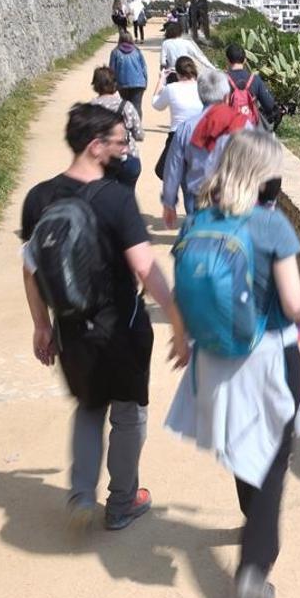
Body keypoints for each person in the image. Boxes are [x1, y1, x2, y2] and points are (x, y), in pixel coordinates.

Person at [20, 103, 190, 534]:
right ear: (95, 146)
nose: (125, 148)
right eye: (118, 141)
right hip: (121, 328)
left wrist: (42, 325)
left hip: (71, 329)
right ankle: (121, 502)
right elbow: (145, 268)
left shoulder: (39, 198)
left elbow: (30, 269)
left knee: (89, 407)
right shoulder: (116, 199)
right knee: (128, 415)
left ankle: (81, 494)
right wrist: (176, 321)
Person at [165, 130, 300, 598]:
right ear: (266, 177)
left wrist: (181, 338)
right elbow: (294, 302)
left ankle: (252, 517)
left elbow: (179, 290)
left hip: (215, 358)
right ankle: (253, 567)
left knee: (242, 442)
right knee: (273, 458)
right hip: (269, 357)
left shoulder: (199, 219)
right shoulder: (272, 225)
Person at [161, 69, 250, 228]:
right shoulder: (244, 125)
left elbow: (173, 169)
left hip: (198, 198)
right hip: (234, 198)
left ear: (200, 96)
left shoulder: (186, 128)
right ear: (226, 97)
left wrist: (169, 202)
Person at [90, 66, 145, 188]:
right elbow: (139, 134)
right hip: (127, 157)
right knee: (127, 195)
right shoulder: (126, 106)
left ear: (95, 85)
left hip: (102, 159)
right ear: (115, 84)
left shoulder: (91, 108)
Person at [151, 56, 202, 180]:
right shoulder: (202, 88)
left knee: (162, 170)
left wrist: (161, 80)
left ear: (177, 73)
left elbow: (156, 104)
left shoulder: (171, 88)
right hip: (198, 134)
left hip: (177, 135)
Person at [225, 43, 279, 125]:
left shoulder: (222, 79)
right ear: (245, 60)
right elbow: (269, 105)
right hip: (251, 128)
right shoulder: (255, 79)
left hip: (229, 128)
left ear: (227, 60)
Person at [108, 31, 148, 120]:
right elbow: (144, 67)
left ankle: (127, 124)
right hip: (139, 83)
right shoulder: (137, 51)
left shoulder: (115, 52)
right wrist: (145, 81)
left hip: (122, 83)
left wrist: (112, 85)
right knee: (137, 106)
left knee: (125, 105)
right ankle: (137, 125)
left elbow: (111, 70)